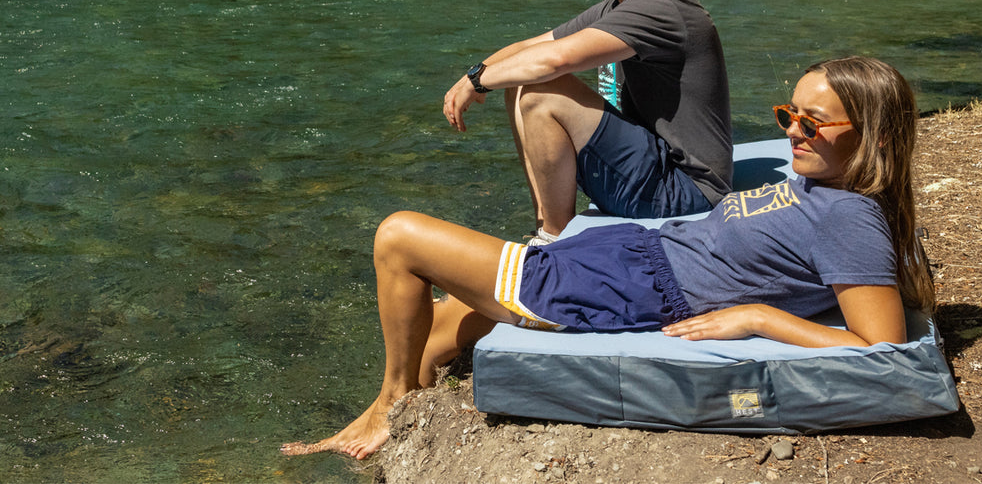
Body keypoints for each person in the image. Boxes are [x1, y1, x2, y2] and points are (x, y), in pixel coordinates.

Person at [285, 57, 934, 460]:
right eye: (789, 114)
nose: (792, 130)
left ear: (873, 137)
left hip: (624, 288)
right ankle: (396, 409)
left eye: (812, 124)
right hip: (631, 253)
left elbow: (879, 343)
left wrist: (762, 318)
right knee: (435, 328)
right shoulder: (828, 188)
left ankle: (392, 406)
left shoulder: (851, 217)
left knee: (398, 237)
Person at [443, 0, 732, 241]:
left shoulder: (662, 6)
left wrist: (478, 82)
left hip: (688, 191)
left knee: (541, 91)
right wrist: (473, 74)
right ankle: (544, 227)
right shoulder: (620, 6)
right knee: (518, 81)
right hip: (657, 167)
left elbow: (554, 60)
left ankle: (554, 240)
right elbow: (533, 47)